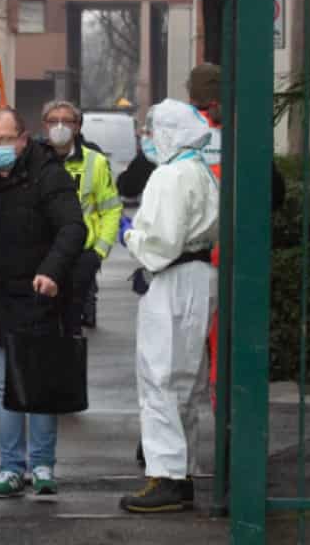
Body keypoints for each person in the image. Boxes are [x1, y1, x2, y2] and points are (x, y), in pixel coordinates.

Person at [0, 108, 87, 499]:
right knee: (3, 387)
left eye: (4, 139)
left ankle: (43, 464)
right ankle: (10, 467)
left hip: (41, 295)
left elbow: (72, 227)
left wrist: (51, 272)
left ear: (22, 138)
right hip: (0, 297)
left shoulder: (48, 176)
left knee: (38, 383)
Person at [118, 99, 220, 514]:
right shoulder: (201, 173)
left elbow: (159, 245)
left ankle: (166, 476)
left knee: (159, 378)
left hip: (171, 281)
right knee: (188, 381)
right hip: (200, 278)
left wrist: (130, 238)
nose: (148, 136)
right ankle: (184, 469)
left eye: (152, 128)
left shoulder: (169, 176)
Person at [41, 101, 121, 332]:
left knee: (71, 324)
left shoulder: (95, 162)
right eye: (53, 121)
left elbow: (111, 209)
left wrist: (98, 253)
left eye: (66, 121)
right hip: (41, 254)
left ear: (77, 127)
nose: (59, 126)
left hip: (80, 257)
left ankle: (69, 366)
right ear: (44, 126)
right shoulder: (34, 160)